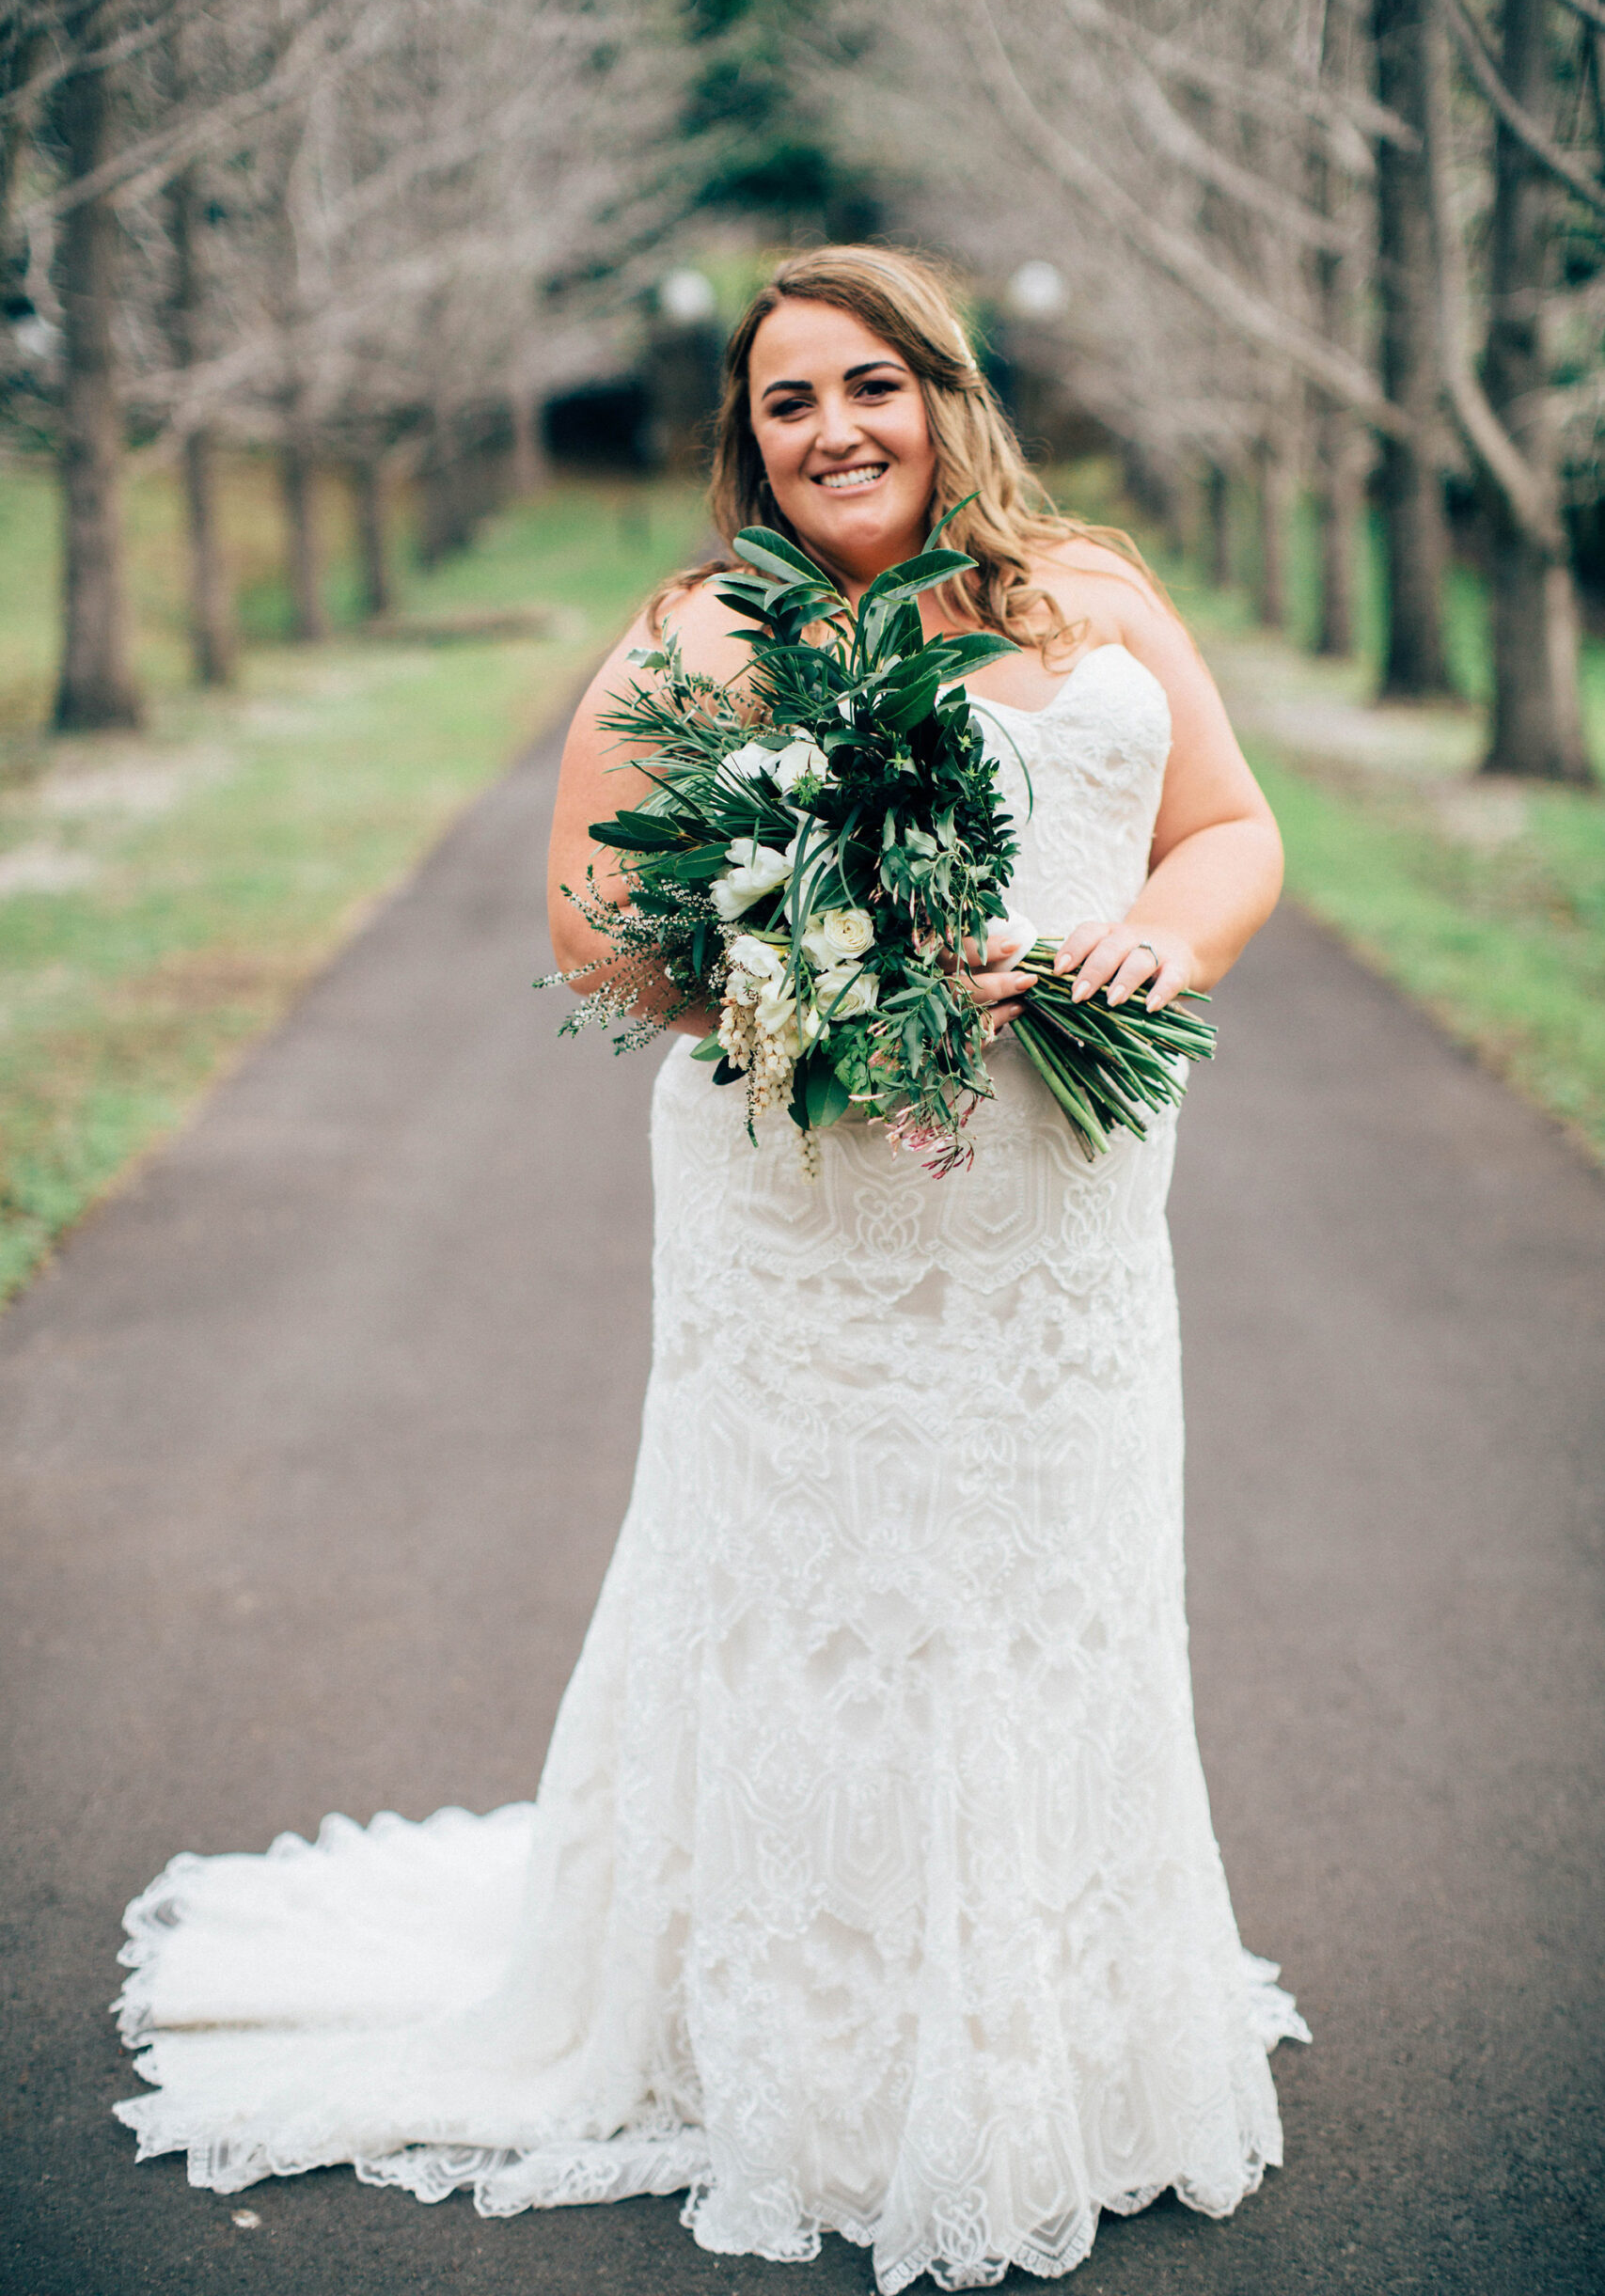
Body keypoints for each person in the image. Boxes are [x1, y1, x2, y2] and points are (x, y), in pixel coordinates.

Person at [114, 246, 1307, 2291]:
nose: (833, 428)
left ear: (944, 392)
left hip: (1062, 1215)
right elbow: (591, 916)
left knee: (1047, 1588)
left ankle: (1057, 2030)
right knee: (817, 1598)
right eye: (785, 401)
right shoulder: (709, 625)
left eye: (870, 383)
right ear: (744, 438)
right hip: (809, 1213)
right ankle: (822, 2062)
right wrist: (814, 982)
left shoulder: (1087, 588)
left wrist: (1151, 948)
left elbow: (1223, 828)